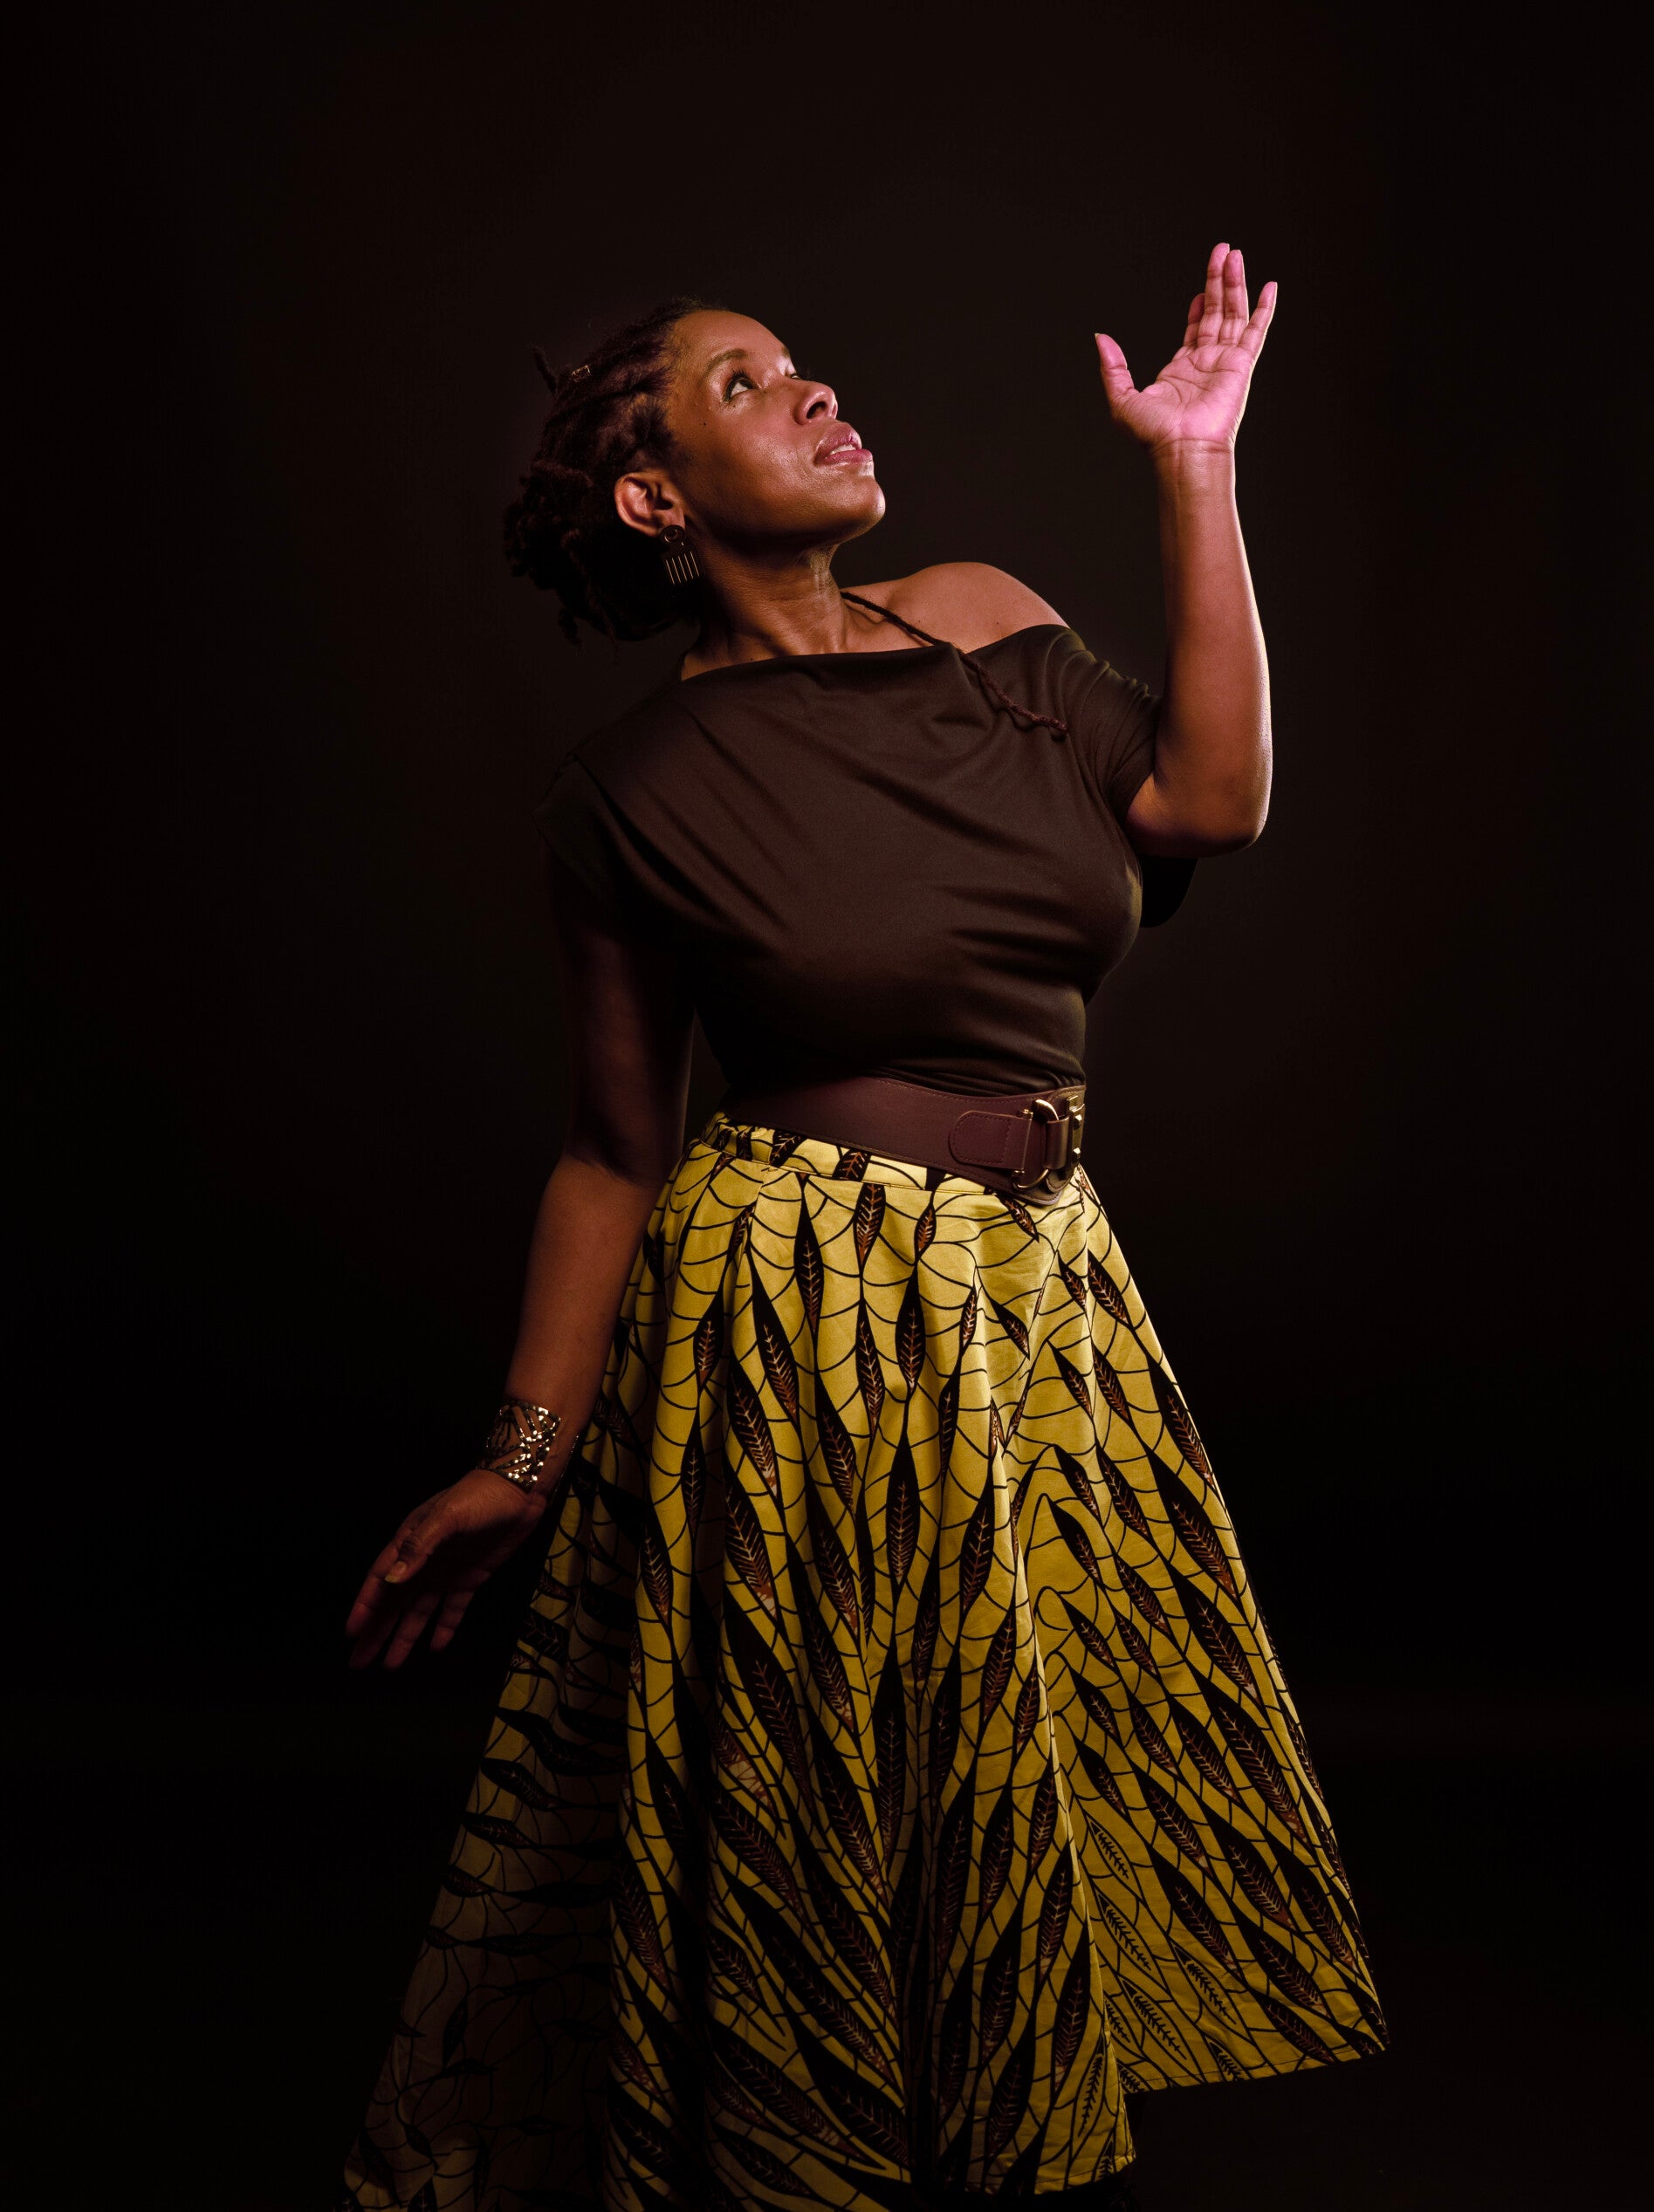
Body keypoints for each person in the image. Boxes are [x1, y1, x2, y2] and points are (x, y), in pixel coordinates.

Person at [337, 245, 1385, 2212]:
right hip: (801, 1302)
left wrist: (1198, 468)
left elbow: (1210, 797)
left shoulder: (986, 619)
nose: (814, 391)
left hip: (1042, 1281)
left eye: (804, 363)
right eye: (745, 384)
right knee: (820, 1777)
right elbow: (613, 1154)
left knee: (1008, 1779)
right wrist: (521, 1456)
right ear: (654, 497)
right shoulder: (630, 792)